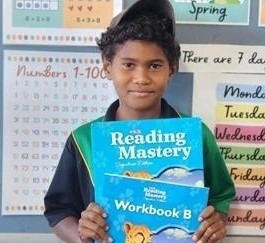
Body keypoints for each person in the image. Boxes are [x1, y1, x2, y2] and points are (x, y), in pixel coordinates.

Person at [44, 0, 235, 242]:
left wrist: (215, 223)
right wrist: (82, 234)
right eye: (128, 65)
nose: (141, 78)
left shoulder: (196, 135)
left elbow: (220, 198)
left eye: (154, 65)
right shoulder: (84, 140)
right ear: (107, 66)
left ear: (171, 69)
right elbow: (59, 210)